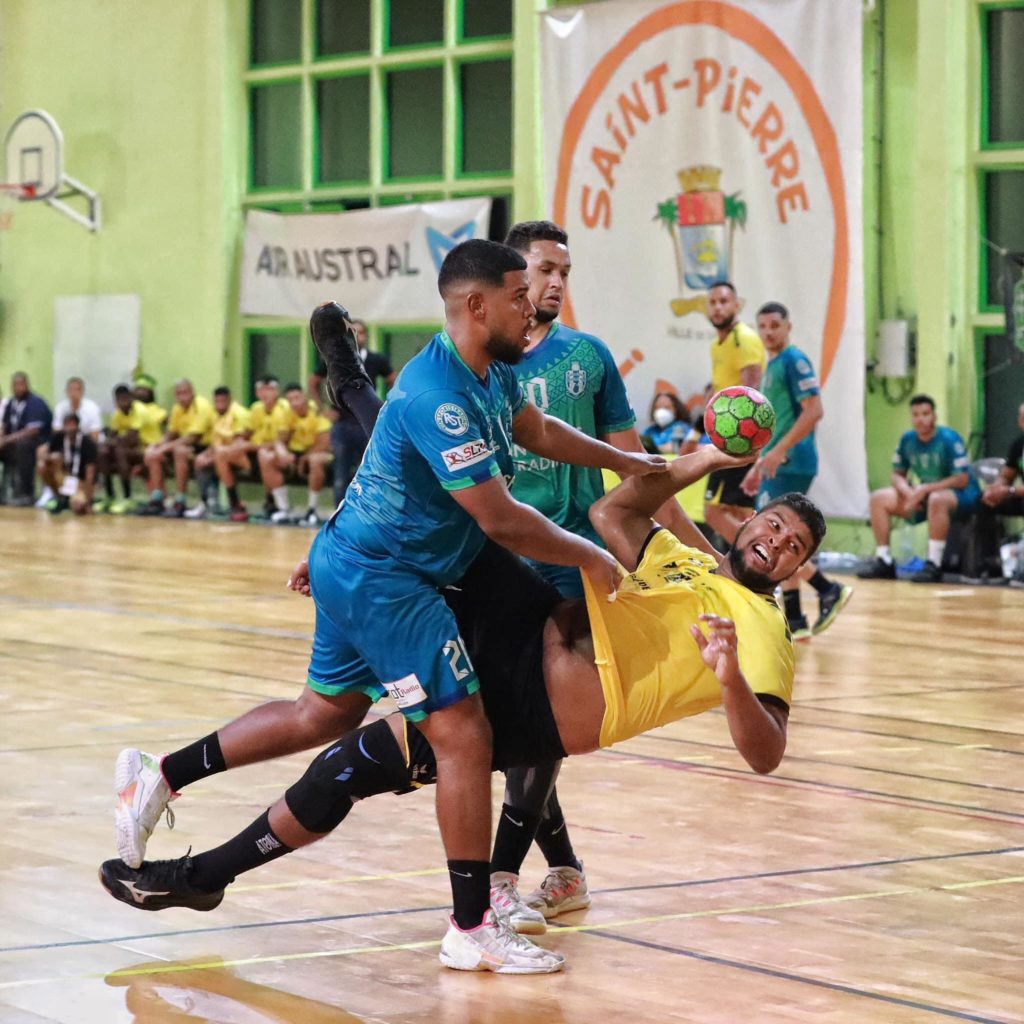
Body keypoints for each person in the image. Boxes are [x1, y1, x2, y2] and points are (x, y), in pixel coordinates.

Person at [111, 241, 665, 972]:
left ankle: (160, 773)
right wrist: (593, 553)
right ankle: (471, 928)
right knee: (462, 735)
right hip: (388, 579)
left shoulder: (491, 372)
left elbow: (536, 431)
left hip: (361, 557)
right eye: (516, 294)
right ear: (476, 306)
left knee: (324, 714)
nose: (529, 305)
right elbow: (499, 520)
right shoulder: (438, 394)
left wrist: (622, 459)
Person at [100, 443, 825, 978]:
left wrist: (729, 679)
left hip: (536, 708)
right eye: (772, 524)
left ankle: (204, 877)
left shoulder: (765, 634)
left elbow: (767, 753)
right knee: (462, 525)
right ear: (748, 519)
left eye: (793, 546)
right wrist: (701, 459)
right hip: (525, 630)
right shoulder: (690, 562)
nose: (775, 542)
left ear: (799, 570)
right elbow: (614, 508)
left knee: (344, 765)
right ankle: (347, 540)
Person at [489, 220, 700, 932]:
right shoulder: (478, 359)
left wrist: (708, 561)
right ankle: (567, 873)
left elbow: (642, 477)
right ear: (511, 273)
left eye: (564, 272)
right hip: (495, 566)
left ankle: (496, 883)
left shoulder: (588, 357)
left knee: (541, 725)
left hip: (574, 570)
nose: (555, 283)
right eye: (545, 268)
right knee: (514, 728)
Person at [740, 302, 851, 638]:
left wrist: (779, 453)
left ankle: (826, 588)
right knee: (778, 537)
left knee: (777, 536)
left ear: (788, 327)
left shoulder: (793, 360)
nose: (769, 332)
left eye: (775, 325)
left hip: (793, 461)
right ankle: (797, 620)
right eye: (763, 326)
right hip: (779, 461)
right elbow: (779, 424)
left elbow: (814, 410)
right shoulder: (772, 364)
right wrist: (758, 464)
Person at [857, 394, 980, 583]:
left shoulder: (948, 438)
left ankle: (934, 564)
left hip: (962, 496)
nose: (920, 419)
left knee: (937, 498)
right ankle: (884, 560)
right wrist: (909, 493)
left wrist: (924, 490)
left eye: (925, 414)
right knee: (879, 498)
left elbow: (962, 479)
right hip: (925, 496)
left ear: (934, 416)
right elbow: (897, 475)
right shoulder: (907, 440)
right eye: (915, 414)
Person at [702, 281, 766, 544]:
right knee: (736, 512)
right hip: (726, 437)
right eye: (713, 302)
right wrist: (698, 430)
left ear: (736, 305)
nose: (717, 307)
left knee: (714, 512)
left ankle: (755, 564)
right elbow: (717, 392)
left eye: (724, 301)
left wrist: (737, 442)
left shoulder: (744, 339)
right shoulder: (718, 344)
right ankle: (751, 575)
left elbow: (749, 393)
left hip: (739, 437)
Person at [309, 318, 395, 505]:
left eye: (360, 332)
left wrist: (387, 406)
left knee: (373, 469)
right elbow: (313, 381)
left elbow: (393, 380)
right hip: (342, 424)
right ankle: (340, 515)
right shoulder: (334, 359)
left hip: (367, 423)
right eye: (352, 332)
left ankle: (373, 512)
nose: (356, 336)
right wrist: (321, 408)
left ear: (366, 336)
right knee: (341, 472)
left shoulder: (376, 359)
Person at [138, 379, 215, 517]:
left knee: (180, 452)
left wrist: (165, 447)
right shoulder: (177, 408)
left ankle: (180, 500)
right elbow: (172, 432)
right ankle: (158, 498)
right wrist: (158, 444)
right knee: (153, 453)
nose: (182, 397)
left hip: (203, 446)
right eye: (178, 394)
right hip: (182, 444)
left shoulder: (202, 406)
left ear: (192, 393)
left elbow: (193, 438)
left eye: (185, 392)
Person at [259, 384, 332, 525]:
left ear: (304, 396)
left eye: (297, 398)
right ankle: (285, 509)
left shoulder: (316, 411)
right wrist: (283, 453)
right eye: (290, 399)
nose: (294, 402)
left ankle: (312, 510)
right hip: (295, 453)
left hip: (318, 452)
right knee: (267, 458)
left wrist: (305, 458)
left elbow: (324, 443)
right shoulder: (287, 413)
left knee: (315, 461)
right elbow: (280, 440)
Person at [185, 387, 251, 518]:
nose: (219, 405)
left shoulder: (239, 413)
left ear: (229, 400)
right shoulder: (214, 415)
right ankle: (205, 502)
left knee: (219, 456)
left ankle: (235, 504)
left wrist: (214, 455)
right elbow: (216, 443)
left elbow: (241, 443)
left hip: (246, 456)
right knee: (200, 460)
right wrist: (206, 455)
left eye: (222, 401)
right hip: (224, 454)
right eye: (217, 401)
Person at [975, 401, 1024, 580]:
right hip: (1018, 494)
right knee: (984, 501)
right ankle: (992, 561)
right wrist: (995, 488)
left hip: (1019, 494)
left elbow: (1010, 488)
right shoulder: (1019, 445)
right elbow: (1006, 476)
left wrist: (1009, 491)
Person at [0, 372, 52, 505]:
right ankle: (4, 492)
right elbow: (5, 426)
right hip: (14, 442)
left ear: (27, 385)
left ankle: (27, 493)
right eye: (15, 385)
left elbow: (32, 431)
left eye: (21, 384)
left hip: (38, 442)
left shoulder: (35, 402)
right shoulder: (11, 403)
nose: (19, 388)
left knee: (23, 447)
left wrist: (6, 440)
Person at [39, 411, 98, 514]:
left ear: (78, 426)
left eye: (73, 424)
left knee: (78, 507)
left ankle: (76, 500)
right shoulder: (59, 437)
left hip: (81, 482)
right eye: (67, 424)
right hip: (64, 477)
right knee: (45, 468)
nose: (70, 428)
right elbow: (42, 453)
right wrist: (51, 457)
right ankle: (60, 498)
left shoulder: (87, 443)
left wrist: (88, 501)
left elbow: (90, 473)